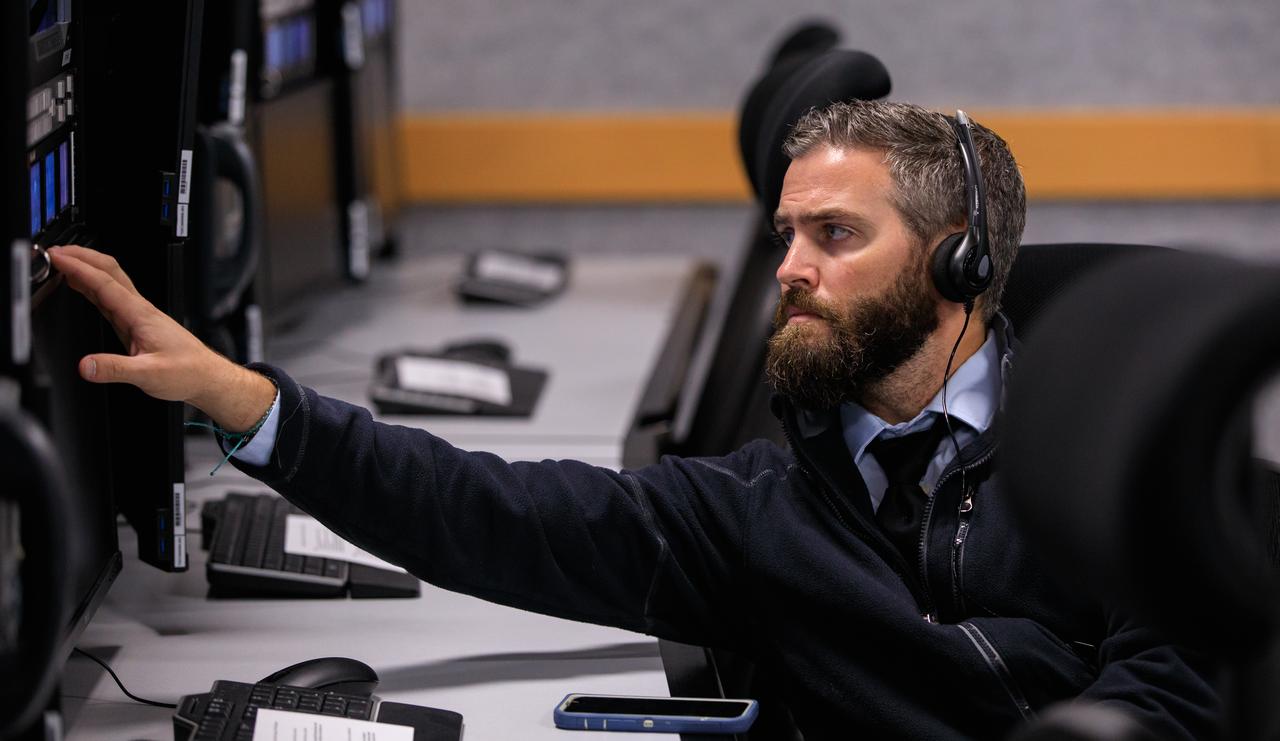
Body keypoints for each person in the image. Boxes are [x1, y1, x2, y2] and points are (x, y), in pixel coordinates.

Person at [48, 100, 1219, 740]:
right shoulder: (763, 508)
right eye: (785, 236)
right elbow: (487, 512)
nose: (791, 271)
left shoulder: (1114, 461)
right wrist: (240, 400)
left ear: (962, 263)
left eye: (836, 237)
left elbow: (1170, 698)